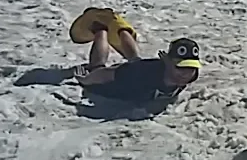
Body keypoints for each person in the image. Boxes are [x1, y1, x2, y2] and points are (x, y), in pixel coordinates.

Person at [66, 7, 202, 103]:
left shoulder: (190, 76)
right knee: (98, 66)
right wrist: (85, 80)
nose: (185, 73)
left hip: (139, 71)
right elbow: (107, 73)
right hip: (108, 88)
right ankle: (100, 28)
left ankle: (119, 26)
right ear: (166, 61)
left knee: (135, 60)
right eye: (180, 67)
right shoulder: (141, 74)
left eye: (190, 68)